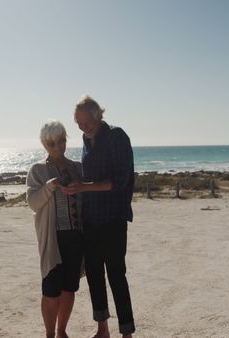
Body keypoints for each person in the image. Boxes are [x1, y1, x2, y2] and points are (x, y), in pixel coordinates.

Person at [61, 95, 135, 338]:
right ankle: (102, 328)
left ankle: (126, 332)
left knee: (116, 274)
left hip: (113, 218)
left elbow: (119, 181)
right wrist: (75, 183)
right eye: (79, 124)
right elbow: (89, 177)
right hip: (90, 219)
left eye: (87, 123)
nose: (83, 128)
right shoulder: (85, 139)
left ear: (98, 116)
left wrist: (83, 187)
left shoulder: (117, 136)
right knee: (94, 275)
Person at [26, 120, 84, 338]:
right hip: (52, 238)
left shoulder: (78, 168)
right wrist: (49, 186)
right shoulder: (38, 170)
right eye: (52, 143)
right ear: (44, 144)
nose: (58, 147)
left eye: (61, 141)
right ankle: (50, 334)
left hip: (76, 236)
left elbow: (86, 199)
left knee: (69, 288)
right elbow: (33, 203)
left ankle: (62, 331)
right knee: (51, 291)